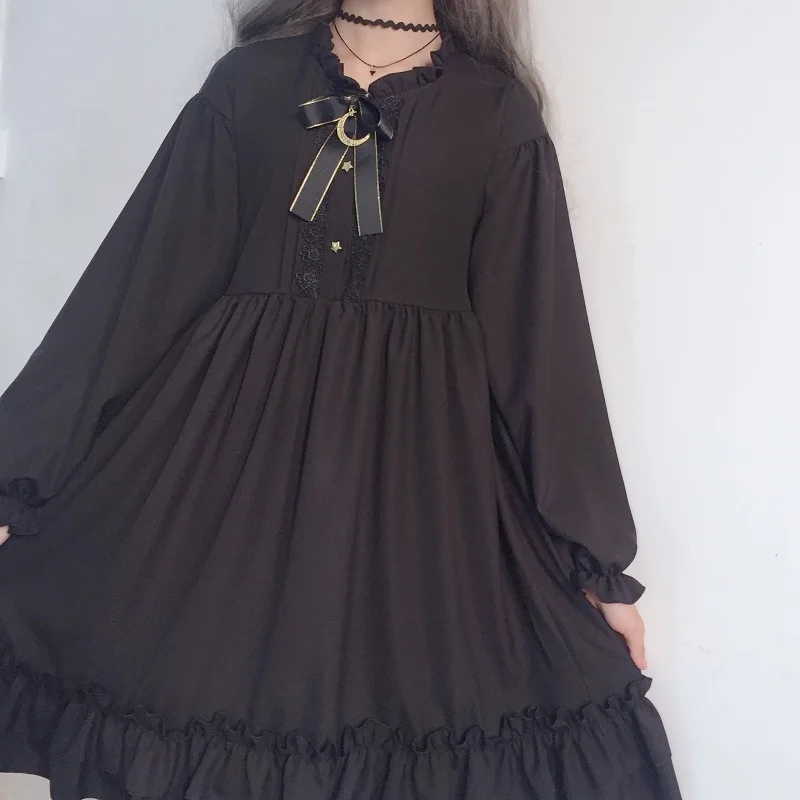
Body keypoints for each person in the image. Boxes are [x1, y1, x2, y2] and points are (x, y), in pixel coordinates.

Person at [0, 1, 682, 797]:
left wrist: (595, 560)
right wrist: (17, 471)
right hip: (227, 476)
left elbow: (543, 349)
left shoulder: (494, 112)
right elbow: (135, 292)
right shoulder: (248, 85)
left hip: (414, 490)